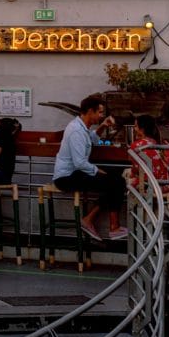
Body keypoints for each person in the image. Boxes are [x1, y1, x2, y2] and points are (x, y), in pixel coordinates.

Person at [52, 94, 128, 241]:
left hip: (76, 173)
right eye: (99, 112)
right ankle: (113, 227)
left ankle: (90, 220)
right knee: (116, 182)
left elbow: (91, 138)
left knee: (116, 179)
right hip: (66, 178)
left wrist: (103, 126)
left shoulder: (82, 127)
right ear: (90, 111)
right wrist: (99, 171)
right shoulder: (76, 131)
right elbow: (79, 163)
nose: (101, 116)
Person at [125, 114, 169, 194]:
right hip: (165, 185)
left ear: (142, 129)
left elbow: (136, 169)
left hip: (147, 186)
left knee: (126, 173)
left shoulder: (136, 145)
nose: (134, 129)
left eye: (136, 126)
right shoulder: (164, 143)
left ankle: (134, 201)